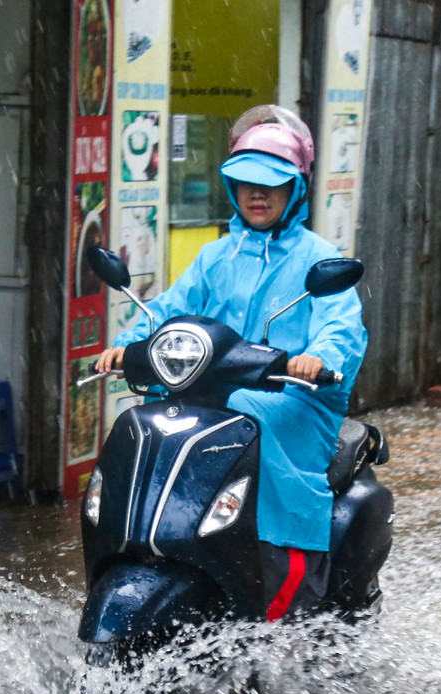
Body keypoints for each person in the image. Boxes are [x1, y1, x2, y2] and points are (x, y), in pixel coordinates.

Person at [94, 106, 368, 620]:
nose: (256, 194)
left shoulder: (316, 257)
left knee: (248, 412)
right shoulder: (216, 257)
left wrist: (318, 357)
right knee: (148, 418)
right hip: (211, 391)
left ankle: (290, 570)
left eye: (270, 184)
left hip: (292, 399)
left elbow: (342, 326)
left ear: (296, 190)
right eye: (244, 183)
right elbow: (168, 311)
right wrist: (127, 345)